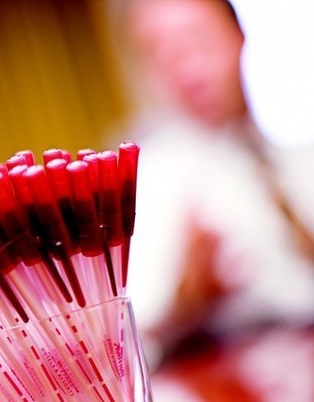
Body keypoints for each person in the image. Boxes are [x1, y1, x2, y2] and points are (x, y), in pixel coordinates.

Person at [122, 0, 314, 399]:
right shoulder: (150, 182)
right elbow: (128, 335)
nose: (185, 71)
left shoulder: (292, 155)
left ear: (239, 37)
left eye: (197, 43)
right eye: (160, 55)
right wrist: (184, 304)